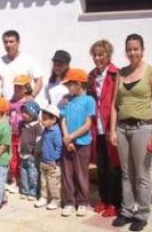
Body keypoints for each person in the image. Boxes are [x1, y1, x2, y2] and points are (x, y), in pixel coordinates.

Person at [110, 34, 152, 231]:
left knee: (142, 174)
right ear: (126, 51)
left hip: (143, 127)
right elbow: (115, 105)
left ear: (142, 50)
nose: (133, 53)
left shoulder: (151, 72)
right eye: (129, 49)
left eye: (136, 49)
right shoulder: (121, 73)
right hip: (123, 128)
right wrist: (113, 130)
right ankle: (126, 211)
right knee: (126, 173)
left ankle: (142, 213)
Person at [87, 40, 121, 217]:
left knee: (113, 167)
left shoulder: (116, 75)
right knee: (100, 167)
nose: (98, 58)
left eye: (101, 54)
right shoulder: (91, 76)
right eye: (95, 54)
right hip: (97, 129)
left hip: (111, 127)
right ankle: (104, 199)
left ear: (108, 55)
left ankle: (115, 203)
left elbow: (119, 102)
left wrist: (115, 128)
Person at [60, 68, 95, 217]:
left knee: (81, 174)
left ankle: (82, 202)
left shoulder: (89, 100)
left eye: (70, 84)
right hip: (67, 142)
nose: (68, 88)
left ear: (79, 84)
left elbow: (88, 124)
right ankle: (69, 202)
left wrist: (72, 137)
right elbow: (63, 120)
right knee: (67, 174)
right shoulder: (66, 100)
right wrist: (66, 138)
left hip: (82, 143)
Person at [0, 30, 43, 99]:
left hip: (23, 106)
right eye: (5, 42)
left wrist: (32, 96)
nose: (8, 45)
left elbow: (39, 81)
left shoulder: (28, 59)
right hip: (6, 105)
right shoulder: (0, 61)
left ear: (18, 43)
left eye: (11, 41)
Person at [7, 74, 33, 194]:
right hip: (12, 134)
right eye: (15, 86)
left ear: (26, 88)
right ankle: (14, 181)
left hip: (23, 134)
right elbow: (7, 115)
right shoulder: (11, 101)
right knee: (13, 159)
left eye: (20, 87)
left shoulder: (28, 102)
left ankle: (23, 183)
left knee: (23, 159)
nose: (16, 89)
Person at [34, 104, 62, 210]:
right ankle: (44, 197)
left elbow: (59, 147)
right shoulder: (45, 130)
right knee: (44, 182)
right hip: (43, 161)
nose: (42, 121)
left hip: (53, 164)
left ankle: (55, 200)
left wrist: (54, 159)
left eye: (45, 119)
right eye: (42, 118)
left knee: (53, 183)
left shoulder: (56, 132)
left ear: (53, 119)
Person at [19, 100, 43, 201]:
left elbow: (39, 141)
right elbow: (22, 138)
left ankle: (33, 192)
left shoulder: (37, 126)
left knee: (33, 173)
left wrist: (34, 152)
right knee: (23, 173)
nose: (23, 115)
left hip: (32, 155)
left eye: (26, 112)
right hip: (23, 154)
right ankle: (25, 190)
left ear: (33, 114)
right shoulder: (23, 125)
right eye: (23, 112)